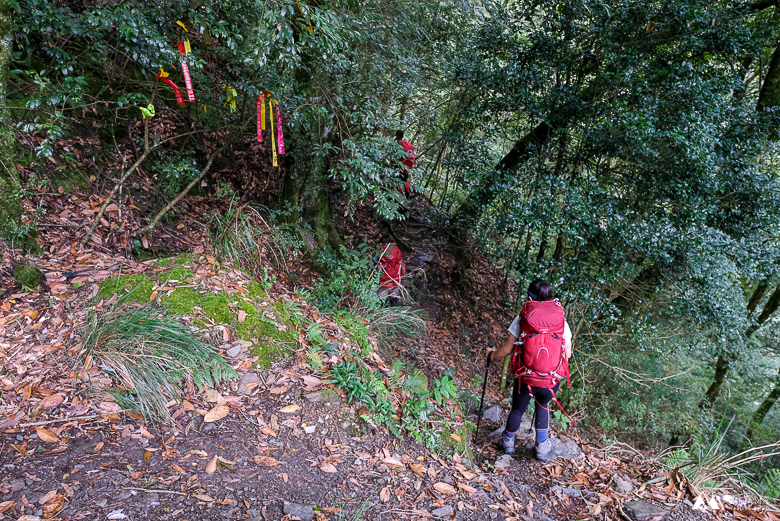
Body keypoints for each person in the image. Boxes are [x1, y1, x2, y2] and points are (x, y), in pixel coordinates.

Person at [489, 279, 573, 460]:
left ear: (530, 297)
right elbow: (567, 355)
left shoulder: (523, 317)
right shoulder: (560, 319)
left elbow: (507, 350)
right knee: (543, 405)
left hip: (526, 376)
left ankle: (508, 443)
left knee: (518, 409)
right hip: (552, 377)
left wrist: (491, 355)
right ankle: (542, 448)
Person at [375, 234, 405, 307]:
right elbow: (401, 263)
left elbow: (375, 260)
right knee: (394, 296)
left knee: (382, 297)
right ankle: (393, 312)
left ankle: (384, 314)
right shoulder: (397, 250)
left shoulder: (381, 249)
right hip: (395, 277)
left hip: (383, 278)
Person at [395, 130, 415, 198]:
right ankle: (407, 193)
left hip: (401, 165)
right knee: (405, 179)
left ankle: (399, 194)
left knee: (399, 179)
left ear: (396, 136)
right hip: (409, 165)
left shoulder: (399, 145)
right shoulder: (409, 144)